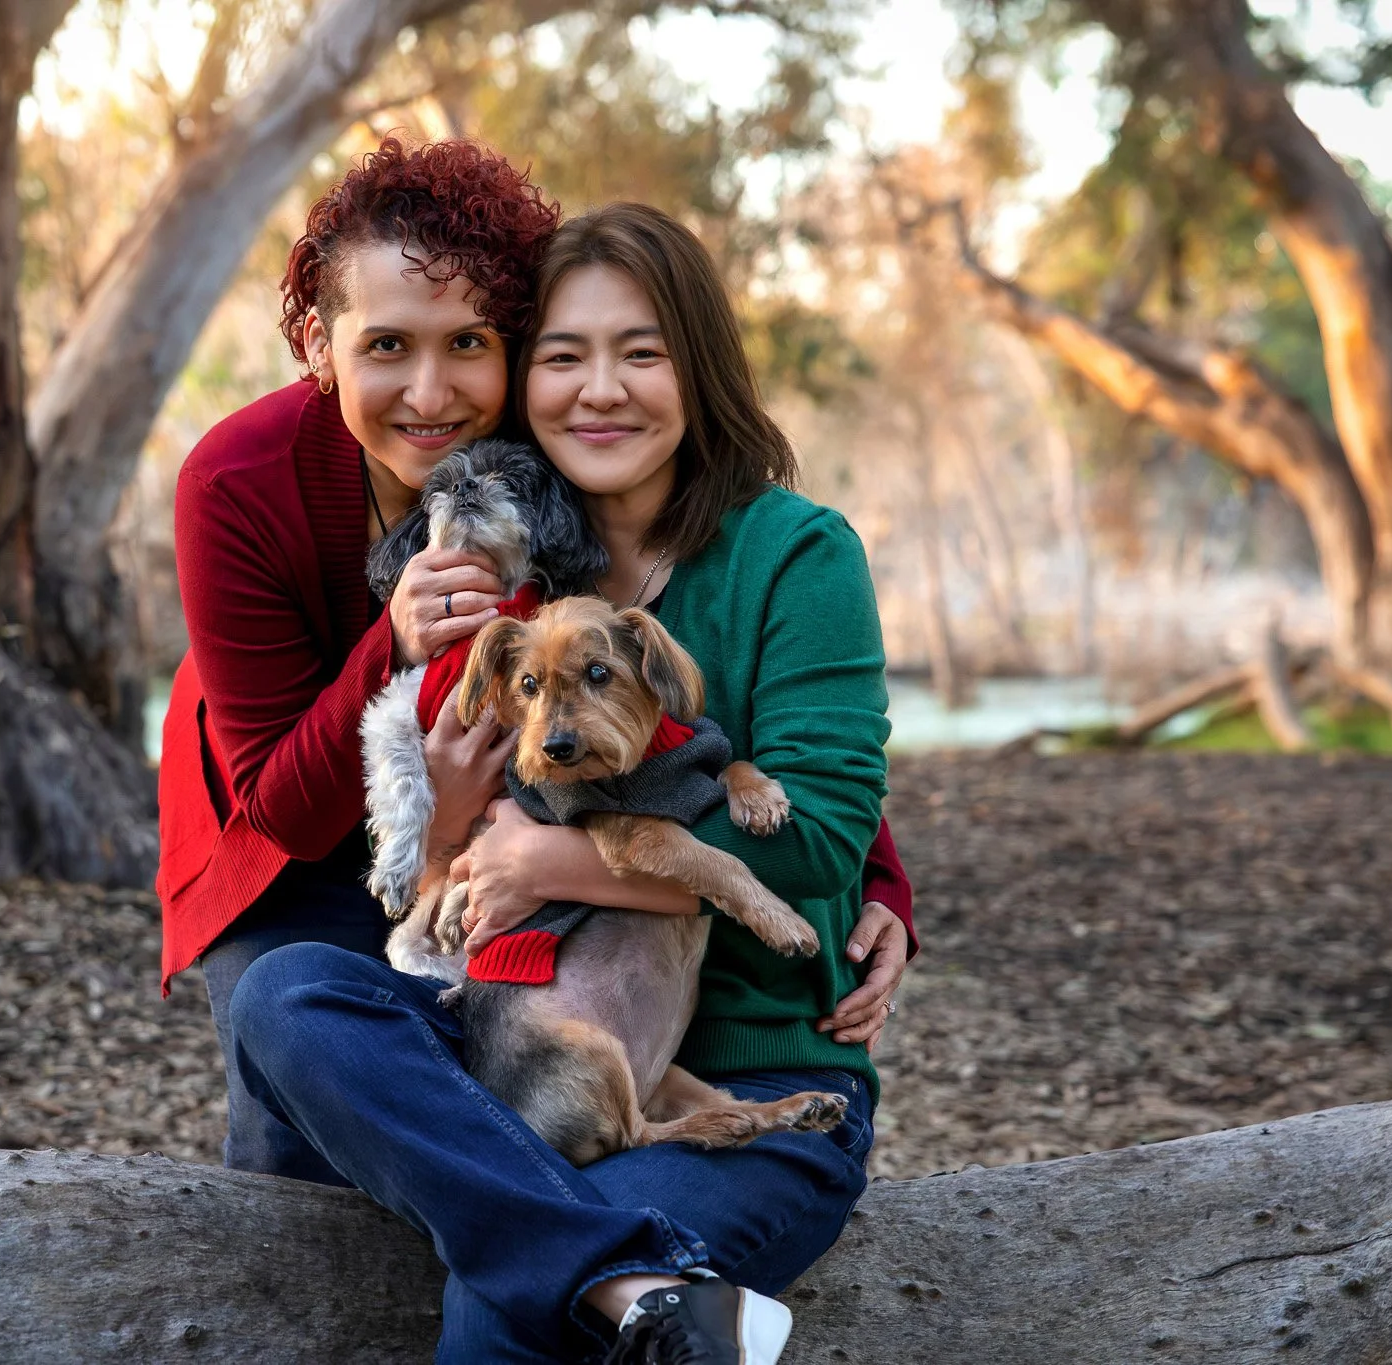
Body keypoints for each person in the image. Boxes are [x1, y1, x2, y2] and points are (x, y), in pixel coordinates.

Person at [157, 136, 916, 1180]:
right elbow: (275, 806)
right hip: (289, 810)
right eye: (383, 346)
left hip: (513, 825)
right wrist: (398, 641)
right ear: (317, 342)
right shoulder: (238, 482)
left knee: (496, 1093)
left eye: (468, 341)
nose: (429, 390)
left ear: (507, 344)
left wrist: (872, 877)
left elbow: (779, 754)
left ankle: (534, 1267)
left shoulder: (543, 421)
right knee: (294, 1087)